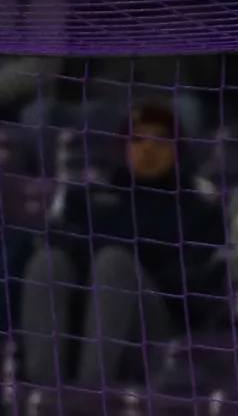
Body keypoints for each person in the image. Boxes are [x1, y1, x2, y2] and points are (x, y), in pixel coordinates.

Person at [16, 101, 226, 385]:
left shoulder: (199, 209)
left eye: (161, 138)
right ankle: (42, 393)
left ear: (179, 150)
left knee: (114, 263)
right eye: (137, 138)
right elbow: (61, 243)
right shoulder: (89, 199)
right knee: (48, 263)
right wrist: (140, 245)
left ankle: (91, 395)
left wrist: (123, 249)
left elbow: (189, 288)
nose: (148, 147)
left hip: (159, 334)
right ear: (123, 148)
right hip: (84, 318)